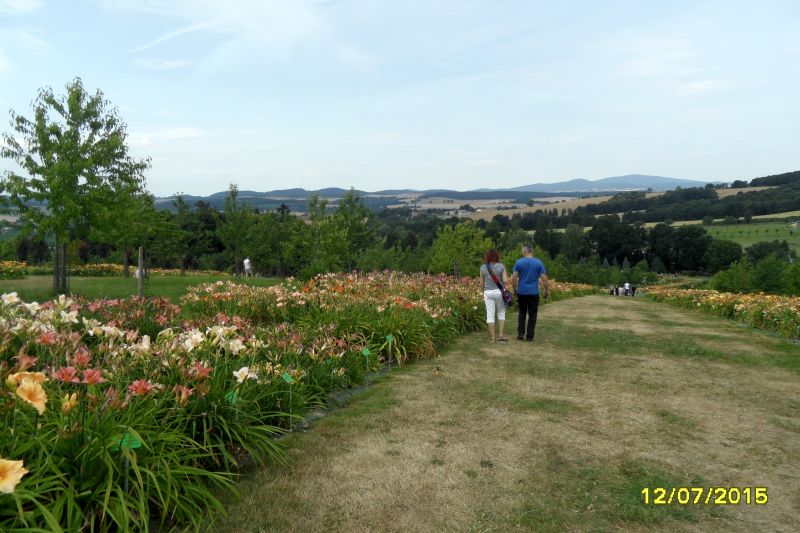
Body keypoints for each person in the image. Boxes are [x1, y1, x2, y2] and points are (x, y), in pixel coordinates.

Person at [510, 244, 550, 342]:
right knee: (532, 314)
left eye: (522, 251)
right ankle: (530, 336)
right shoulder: (538, 262)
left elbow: (514, 278)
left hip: (522, 291)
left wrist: (514, 290)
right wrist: (547, 290)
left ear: (525, 251)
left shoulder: (518, 262)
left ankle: (520, 333)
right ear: (531, 251)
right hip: (533, 292)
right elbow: (544, 278)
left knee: (522, 312)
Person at [479, 248, 510, 342]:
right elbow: (505, 280)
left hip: (488, 292)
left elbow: (482, 282)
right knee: (501, 313)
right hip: (499, 292)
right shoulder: (501, 266)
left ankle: (492, 338)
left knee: (490, 315)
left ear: (487, 256)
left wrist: (481, 292)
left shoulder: (483, 267)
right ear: (497, 256)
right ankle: (501, 336)